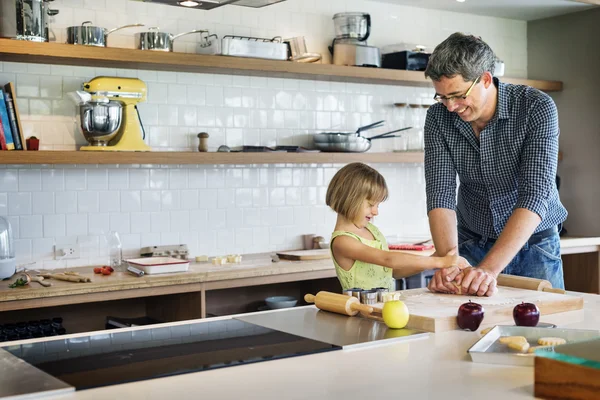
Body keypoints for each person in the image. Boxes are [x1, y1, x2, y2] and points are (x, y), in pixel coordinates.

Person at [423, 33, 568, 297]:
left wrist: (488, 269)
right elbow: (440, 193)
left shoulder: (536, 108)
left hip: (533, 246)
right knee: (467, 332)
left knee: (543, 332)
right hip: (471, 243)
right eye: (442, 97)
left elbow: (535, 196)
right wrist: (447, 261)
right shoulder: (437, 118)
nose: (451, 107)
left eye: (458, 95)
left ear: (486, 79)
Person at [326, 162, 469, 291]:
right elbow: (387, 259)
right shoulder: (342, 241)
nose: (376, 212)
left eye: (378, 205)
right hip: (360, 311)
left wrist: (433, 258)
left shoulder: (372, 231)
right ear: (349, 199)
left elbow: (392, 270)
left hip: (384, 308)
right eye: (370, 205)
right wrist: (439, 261)